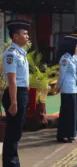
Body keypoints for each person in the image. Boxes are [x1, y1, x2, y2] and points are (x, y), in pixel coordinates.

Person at [2, 19, 30, 167]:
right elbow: (12, 80)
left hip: (21, 93)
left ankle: (13, 162)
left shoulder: (21, 53)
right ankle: (10, 163)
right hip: (15, 94)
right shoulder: (11, 54)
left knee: (17, 131)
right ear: (15, 36)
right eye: (25, 34)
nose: (28, 37)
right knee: (13, 132)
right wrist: (14, 102)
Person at [56, 40, 77, 143]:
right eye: (76, 47)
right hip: (67, 88)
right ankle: (62, 135)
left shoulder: (72, 58)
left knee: (72, 112)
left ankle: (70, 133)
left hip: (73, 88)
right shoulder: (65, 59)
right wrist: (57, 87)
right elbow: (61, 74)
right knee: (66, 112)